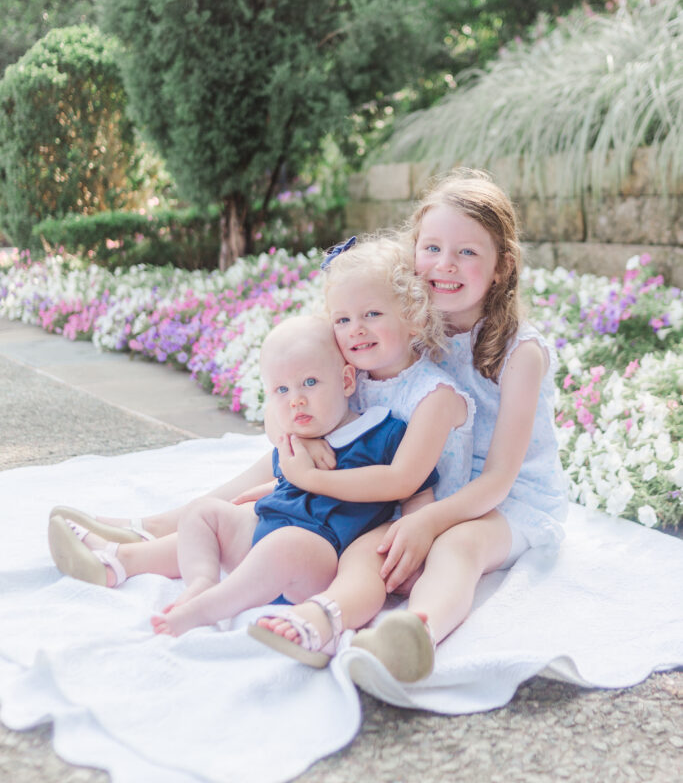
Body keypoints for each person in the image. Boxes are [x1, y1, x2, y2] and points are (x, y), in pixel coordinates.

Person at [48, 238, 473, 640]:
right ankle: (132, 564)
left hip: (322, 547)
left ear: (413, 316)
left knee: (281, 547)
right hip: (278, 519)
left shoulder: (407, 414)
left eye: (372, 315)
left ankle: (207, 607)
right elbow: (284, 402)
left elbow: (409, 487)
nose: (355, 330)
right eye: (343, 320)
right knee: (206, 514)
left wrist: (412, 538)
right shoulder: (349, 369)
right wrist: (296, 442)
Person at [251, 169, 568, 682]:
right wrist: (291, 435)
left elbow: (501, 480)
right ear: (413, 250)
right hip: (426, 480)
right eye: (432, 247)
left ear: (502, 266)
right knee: (339, 525)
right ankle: (319, 617)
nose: (445, 265)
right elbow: (311, 374)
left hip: (505, 500)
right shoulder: (410, 321)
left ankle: (417, 631)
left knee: (455, 546)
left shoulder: (520, 352)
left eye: (467, 252)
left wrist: (425, 521)